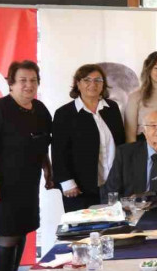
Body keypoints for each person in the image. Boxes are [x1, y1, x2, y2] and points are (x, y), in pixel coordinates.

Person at [0, 60, 52, 271]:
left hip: (28, 182)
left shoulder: (40, 110)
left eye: (33, 80)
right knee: (8, 232)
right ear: (11, 83)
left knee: (22, 230)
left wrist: (49, 170)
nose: (29, 85)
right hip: (2, 183)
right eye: (23, 80)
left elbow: (42, 144)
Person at [52, 64, 126, 212]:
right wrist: (67, 183)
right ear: (78, 84)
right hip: (79, 189)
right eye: (87, 80)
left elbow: (121, 144)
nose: (93, 84)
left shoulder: (112, 108)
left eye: (98, 80)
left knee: (112, 230)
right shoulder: (64, 114)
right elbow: (58, 152)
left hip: (112, 186)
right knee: (84, 232)